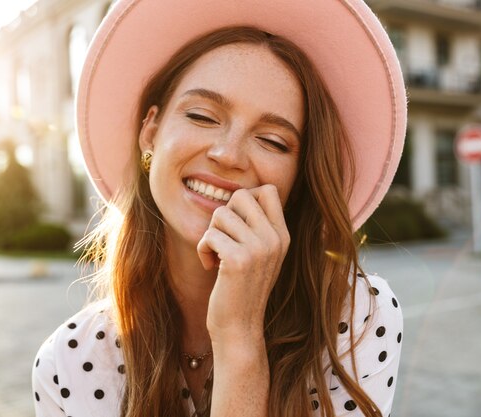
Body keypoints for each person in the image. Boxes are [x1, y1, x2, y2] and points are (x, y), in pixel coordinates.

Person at [32, 1, 407, 416]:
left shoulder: (357, 317)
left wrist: (239, 336)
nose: (228, 154)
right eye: (202, 116)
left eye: (273, 141)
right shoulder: (67, 364)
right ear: (151, 131)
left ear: (298, 180)